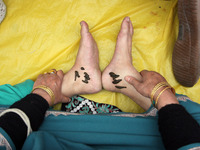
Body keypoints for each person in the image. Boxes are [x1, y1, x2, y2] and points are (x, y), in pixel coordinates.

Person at [0, 17, 199, 150]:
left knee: (5, 104)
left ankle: (71, 84)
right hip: (144, 139)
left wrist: (40, 95)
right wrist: (161, 92)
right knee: (191, 118)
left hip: (40, 134)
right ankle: (127, 82)